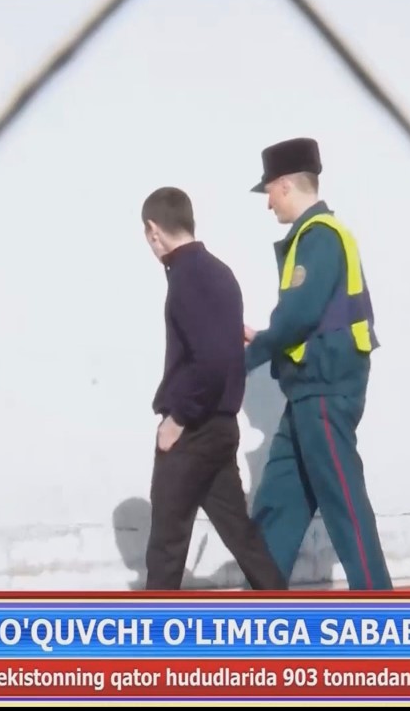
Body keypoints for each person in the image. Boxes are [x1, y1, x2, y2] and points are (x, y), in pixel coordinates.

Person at [241, 138, 393, 591]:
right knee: (278, 503)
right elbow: (308, 317)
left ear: (286, 185)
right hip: (308, 392)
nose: (268, 202)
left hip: (325, 390)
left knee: (345, 505)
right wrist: (265, 340)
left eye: (269, 190)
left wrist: (248, 356)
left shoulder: (318, 237)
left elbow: (298, 315)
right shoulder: (318, 237)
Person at [140, 186, 288, 592]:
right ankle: (285, 606)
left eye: (147, 237)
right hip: (221, 429)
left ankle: (151, 627)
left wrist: (177, 420)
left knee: (167, 544)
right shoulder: (220, 272)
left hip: (192, 431)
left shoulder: (187, 277)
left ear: (154, 230)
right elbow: (223, 352)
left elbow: (208, 362)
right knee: (241, 534)